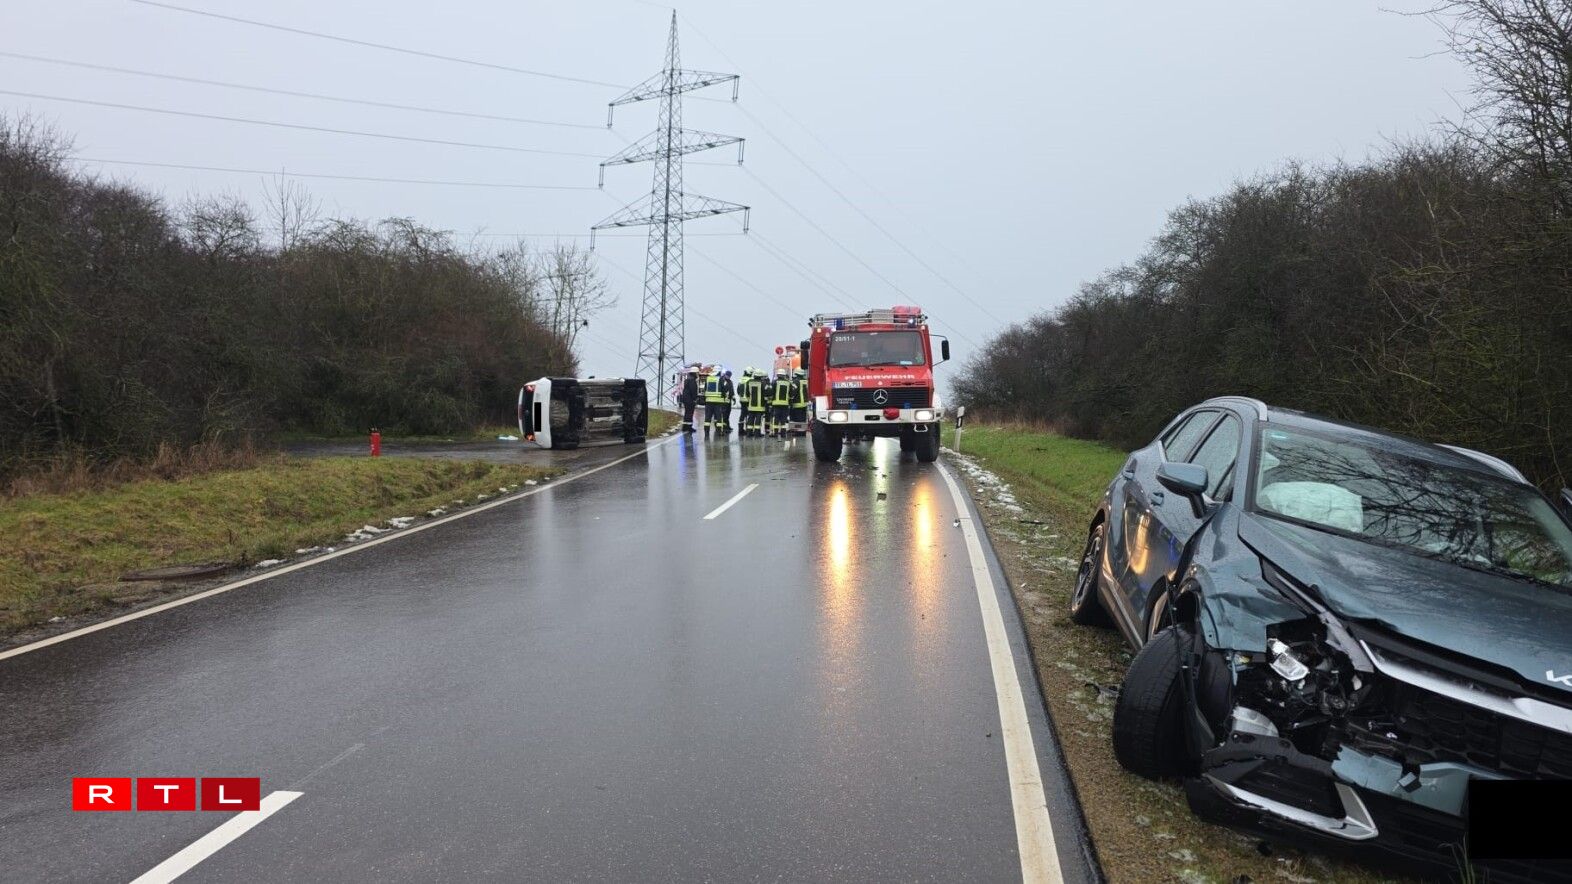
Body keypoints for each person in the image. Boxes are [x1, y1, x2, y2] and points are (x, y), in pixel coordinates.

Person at [743, 368, 767, 436]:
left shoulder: (749, 382)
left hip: (751, 405)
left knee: (750, 419)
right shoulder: (763, 383)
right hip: (760, 406)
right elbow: (766, 393)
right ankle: (757, 433)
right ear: (761, 376)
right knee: (758, 420)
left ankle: (749, 433)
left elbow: (747, 393)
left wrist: (748, 401)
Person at [702, 368, 726, 432]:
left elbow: (705, 389)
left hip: (709, 401)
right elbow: (723, 389)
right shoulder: (720, 379)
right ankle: (719, 431)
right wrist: (724, 397)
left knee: (707, 418)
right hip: (718, 402)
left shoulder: (708, 378)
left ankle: (706, 432)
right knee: (718, 418)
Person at [770, 369, 791, 437]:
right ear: (784, 375)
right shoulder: (788, 383)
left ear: (778, 375)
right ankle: (783, 433)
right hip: (785, 404)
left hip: (776, 404)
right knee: (783, 419)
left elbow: (771, 392)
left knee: (776, 419)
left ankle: (775, 433)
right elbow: (791, 394)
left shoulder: (774, 382)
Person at [789, 368, 809, 433]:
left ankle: (798, 432)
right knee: (803, 418)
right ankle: (803, 432)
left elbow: (793, 392)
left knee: (797, 419)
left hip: (797, 403)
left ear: (796, 374)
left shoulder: (796, 381)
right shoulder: (806, 381)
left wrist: (790, 398)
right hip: (805, 403)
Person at [679, 367, 699, 432]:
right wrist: (695, 399)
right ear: (695, 373)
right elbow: (693, 391)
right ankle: (689, 427)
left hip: (686, 399)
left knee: (687, 413)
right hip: (690, 400)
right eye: (697, 373)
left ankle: (685, 427)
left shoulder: (687, 380)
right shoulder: (692, 381)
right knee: (690, 414)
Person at [719, 370, 736, 434]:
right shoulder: (722, 380)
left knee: (727, 414)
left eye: (729, 376)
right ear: (725, 374)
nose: (728, 377)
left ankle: (727, 426)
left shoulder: (730, 382)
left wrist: (734, 398)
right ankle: (724, 427)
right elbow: (722, 390)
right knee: (724, 415)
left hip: (728, 401)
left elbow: (732, 391)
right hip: (723, 401)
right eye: (727, 375)